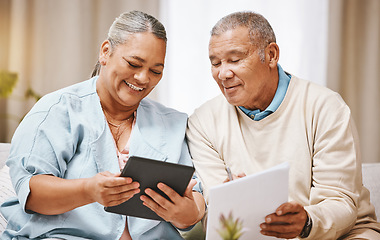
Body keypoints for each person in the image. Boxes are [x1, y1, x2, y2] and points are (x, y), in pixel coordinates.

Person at [1, 10, 205, 240]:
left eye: (156, 71)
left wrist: (187, 214)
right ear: (105, 52)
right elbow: (31, 192)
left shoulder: (173, 124)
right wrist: (88, 190)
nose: (143, 78)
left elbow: (194, 195)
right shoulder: (57, 110)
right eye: (134, 64)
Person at [186, 11, 380, 239]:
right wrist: (238, 203)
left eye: (235, 59)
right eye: (216, 63)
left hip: (340, 234)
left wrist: (305, 221)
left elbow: (341, 204)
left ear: (271, 55)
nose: (223, 73)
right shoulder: (203, 122)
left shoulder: (325, 107)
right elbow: (218, 215)